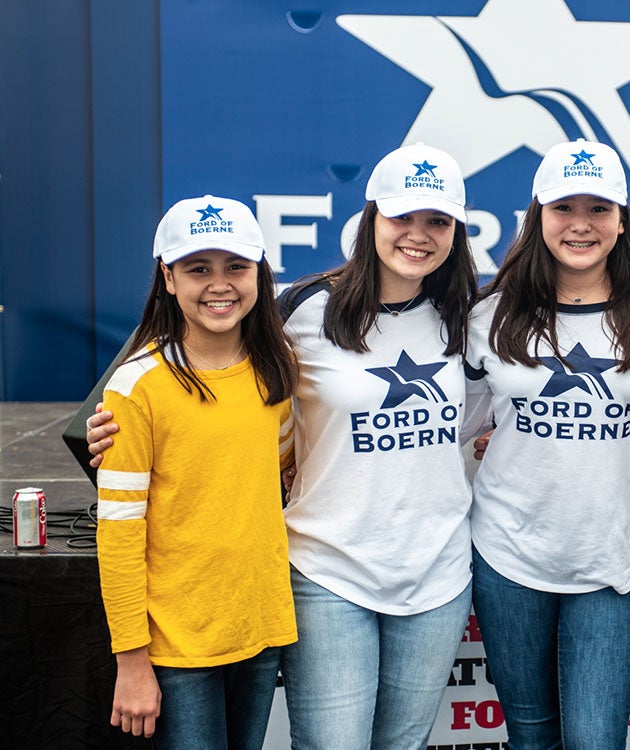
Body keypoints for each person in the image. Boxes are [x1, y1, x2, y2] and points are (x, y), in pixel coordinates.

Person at [88, 143, 485, 749]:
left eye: (437, 221)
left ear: (457, 230)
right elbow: (191, 362)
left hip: (436, 574)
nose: (418, 235)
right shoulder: (300, 311)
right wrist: (108, 435)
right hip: (326, 570)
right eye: (402, 217)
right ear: (370, 218)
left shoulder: (470, 315)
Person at [464, 139, 630, 748]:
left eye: (598, 208)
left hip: (610, 561)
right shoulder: (488, 313)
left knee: (596, 739)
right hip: (507, 554)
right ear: (537, 214)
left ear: (622, 220)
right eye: (563, 207)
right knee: (531, 733)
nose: (580, 224)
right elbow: (453, 423)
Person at [95, 195, 298, 746]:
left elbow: (284, 470)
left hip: (260, 627)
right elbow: (117, 534)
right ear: (167, 277)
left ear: (259, 271)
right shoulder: (136, 386)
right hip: (175, 644)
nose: (220, 284)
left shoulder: (277, 372)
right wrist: (132, 661)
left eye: (236, 266)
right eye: (197, 268)